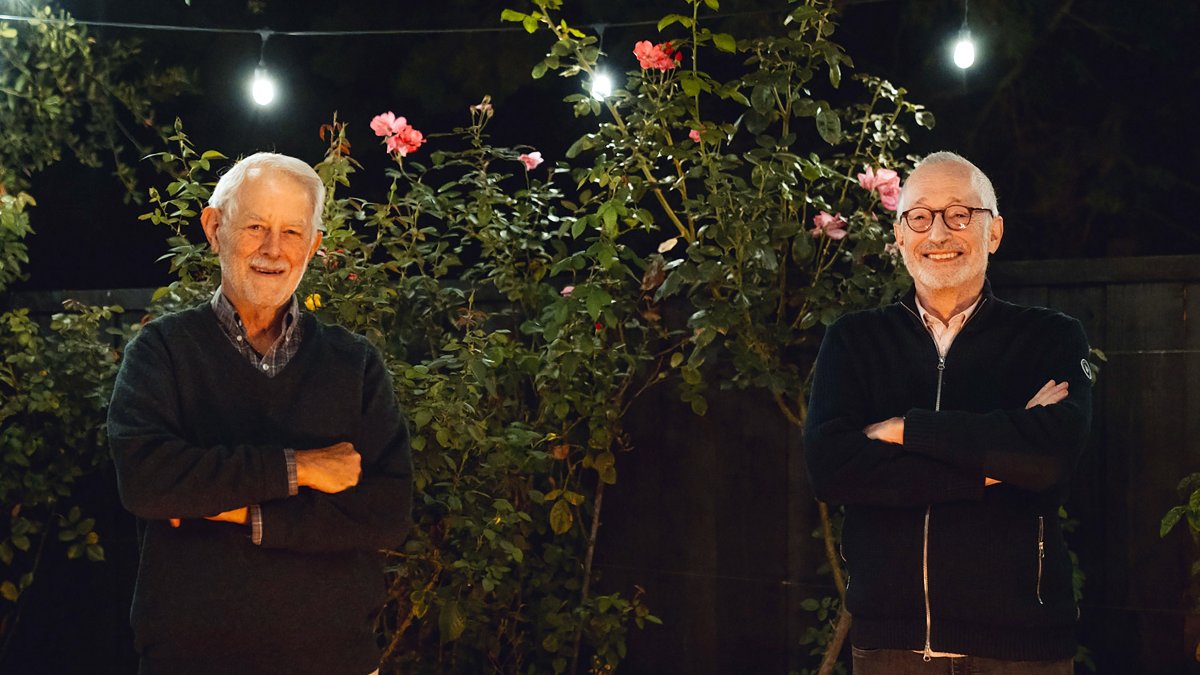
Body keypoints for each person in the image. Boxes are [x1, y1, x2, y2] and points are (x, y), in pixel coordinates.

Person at [108, 152, 413, 675]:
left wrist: (238, 511)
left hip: (335, 661)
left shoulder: (354, 363)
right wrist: (303, 468)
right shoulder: (162, 351)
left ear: (314, 246)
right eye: (255, 227)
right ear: (214, 227)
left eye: (293, 232)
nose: (274, 250)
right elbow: (147, 481)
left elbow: (387, 511)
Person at [804, 151, 1092, 673]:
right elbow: (832, 469)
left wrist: (906, 429)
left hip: (1022, 648)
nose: (937, 233)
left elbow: (1049, 460)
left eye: (960, 214)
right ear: (899, 234)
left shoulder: (1050, 338)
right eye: (919, 216)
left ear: (994, 231)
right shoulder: (854, 341)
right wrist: (992, 470)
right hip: (890, 646)